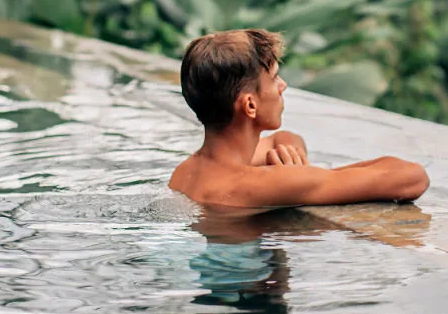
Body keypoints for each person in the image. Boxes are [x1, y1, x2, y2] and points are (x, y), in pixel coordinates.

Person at [168, 29, 430, 210]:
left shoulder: (186, 172)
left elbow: (284, 139)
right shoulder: (260, 185)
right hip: (249, 285)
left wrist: (293, 162)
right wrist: (299, 177)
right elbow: (412, 178)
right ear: (250, 104)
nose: (282, 86)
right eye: (273, 78)